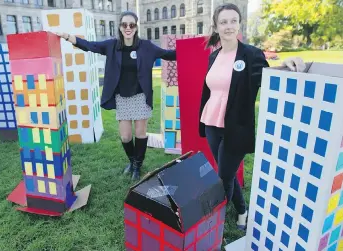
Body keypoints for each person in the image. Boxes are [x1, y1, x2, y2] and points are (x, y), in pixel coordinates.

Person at [199, 3, 306, 230]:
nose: (229, 26)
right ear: (216, 27)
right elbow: (209, 89)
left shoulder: (250, 54)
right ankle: (242, 211)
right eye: (223, 22)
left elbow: (265, 75)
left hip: (236, 126)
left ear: (239, 24)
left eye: (233, 21)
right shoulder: (214, 56)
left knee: (223, 177)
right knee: (225, 174)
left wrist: (283, 66)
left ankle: (212, 226)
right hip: (211, 122)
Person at [56, 11, 176, 181]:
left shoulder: (146, 46)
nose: (128, 28)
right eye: (124, 25)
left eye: (132, 25)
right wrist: (67, 36)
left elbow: (169, 54)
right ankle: (132, 161)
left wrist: (195, 48)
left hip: (141, 96)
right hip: (122, 97)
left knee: (140, 133)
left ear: (136, 27)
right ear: (120, 27)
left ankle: (137, 166)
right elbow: (90, 45)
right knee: (126, 136)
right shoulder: (112, 46)